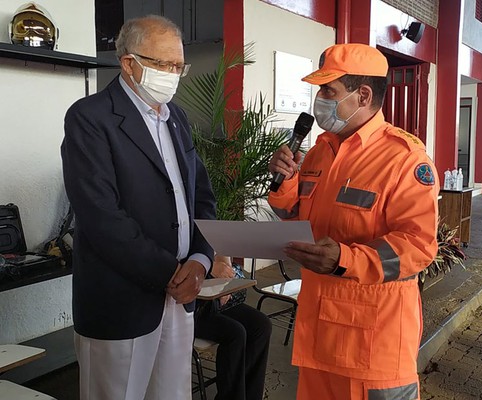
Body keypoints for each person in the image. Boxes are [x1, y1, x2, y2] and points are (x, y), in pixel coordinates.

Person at [267, 43, 439, 400]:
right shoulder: (318, 151)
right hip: (318, 336)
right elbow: (296, 219)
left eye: (328, 90)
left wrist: (345, 260)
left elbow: (417, 247)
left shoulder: (404, 158)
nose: (319, 99)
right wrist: (284, 184)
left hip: (373, 344)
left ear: (363, 95)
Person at [61, 15, 216, 400]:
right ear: (129, 63)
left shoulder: (177, 118)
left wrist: (200, 259)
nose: (174, 75)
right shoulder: (91, 118)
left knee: (172, 393)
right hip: (122, 300)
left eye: (179, 66)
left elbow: (201, 197)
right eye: (164, 65)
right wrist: (170, 271)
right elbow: (101, 216)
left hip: (179, 296)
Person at [194, 255, 272, 400]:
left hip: (212, 297)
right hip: (188, 306)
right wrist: (210, 267)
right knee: (235, 333)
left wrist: (226, 281)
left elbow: (223, 254)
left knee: (261, 325)